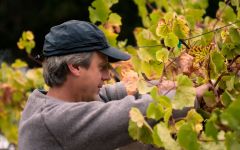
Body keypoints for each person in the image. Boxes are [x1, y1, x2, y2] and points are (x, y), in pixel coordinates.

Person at [18, 20, 208, 150]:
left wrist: (166, 85)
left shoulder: (56, 99)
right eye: (101, 68)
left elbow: (115, 93)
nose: (108, 76)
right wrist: (193, 94)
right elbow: (126, 114)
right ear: (75, 67)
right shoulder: (53, 120)